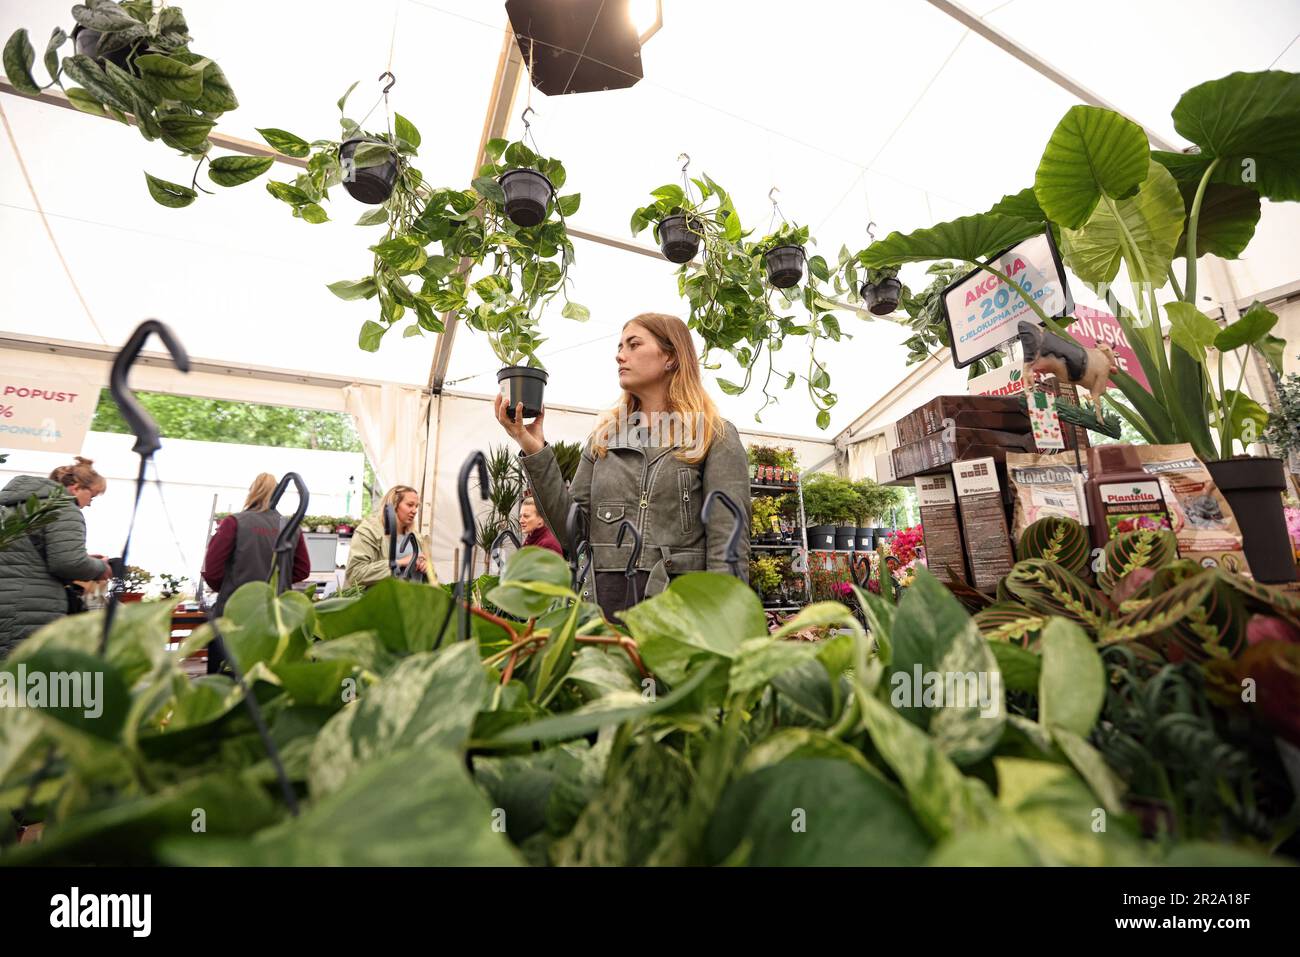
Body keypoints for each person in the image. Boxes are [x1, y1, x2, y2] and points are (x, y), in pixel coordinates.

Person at [496, 312, 751, 619]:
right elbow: (572, 532)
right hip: (602, 610)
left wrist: (723, 625)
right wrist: (533, 447)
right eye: (620, 347)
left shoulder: (714, 435)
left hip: (677, 615)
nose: (620, 356)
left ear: (670, 357)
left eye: (633, 345)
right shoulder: (604, 439)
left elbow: (729, 544)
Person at [0, 457, 112, 659]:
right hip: (32, 608)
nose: (89, 505)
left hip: (6, 601)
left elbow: (23, 556)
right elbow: (68, 563)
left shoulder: (10, 506)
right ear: (76, 487)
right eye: (92, 497)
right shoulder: (64, 508)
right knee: (30, 681)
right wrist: (100, 567)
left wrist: (84, 558)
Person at [202, 472, 311, 673]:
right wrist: (279, 580)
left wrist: (230, 586)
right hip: (276, 621)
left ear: (252, 492)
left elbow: (212, 570)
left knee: (227, 683)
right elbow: (303, 569)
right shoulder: (292, 527)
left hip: (233, 619)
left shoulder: (234, 522)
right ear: (278, 493)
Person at [345, 485, 431, 589]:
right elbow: (355, 574)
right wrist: (399, 562)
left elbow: (429, 578)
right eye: (410, 505)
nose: (414, 510)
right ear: (393, 505)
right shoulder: (369, 532)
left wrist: (427, 569)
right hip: (379, 602)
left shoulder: (416, 537)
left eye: (416, 506)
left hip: (410, 602)